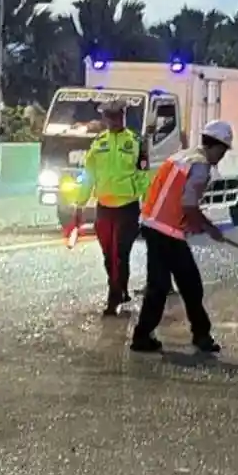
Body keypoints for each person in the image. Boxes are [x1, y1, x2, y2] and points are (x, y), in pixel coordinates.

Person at [130, 119, 233, 355]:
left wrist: (193, 223)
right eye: (224, 151)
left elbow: (175, 198)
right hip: (166, 231)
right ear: (217, 146)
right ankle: (195, 335)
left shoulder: (182, 156)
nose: (223, 156)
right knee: (186, 285)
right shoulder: (201, 166)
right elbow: (188, 205)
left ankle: (149, 335)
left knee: (166, 284)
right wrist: (210, 228)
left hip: (152, 223)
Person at [75, 98, 150, 315]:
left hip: (127, 207)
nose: (115, 120)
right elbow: (88, 176)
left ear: (124, 116)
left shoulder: (136, 142)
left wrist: (146, 205)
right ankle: (120, 288)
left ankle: (114, 297)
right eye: (110, 116)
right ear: (104, 119)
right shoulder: (98, 143)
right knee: (108, 255)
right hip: (104, 207)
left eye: (119, 116)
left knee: (120, 254)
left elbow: (143, 175)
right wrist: (80, 204)